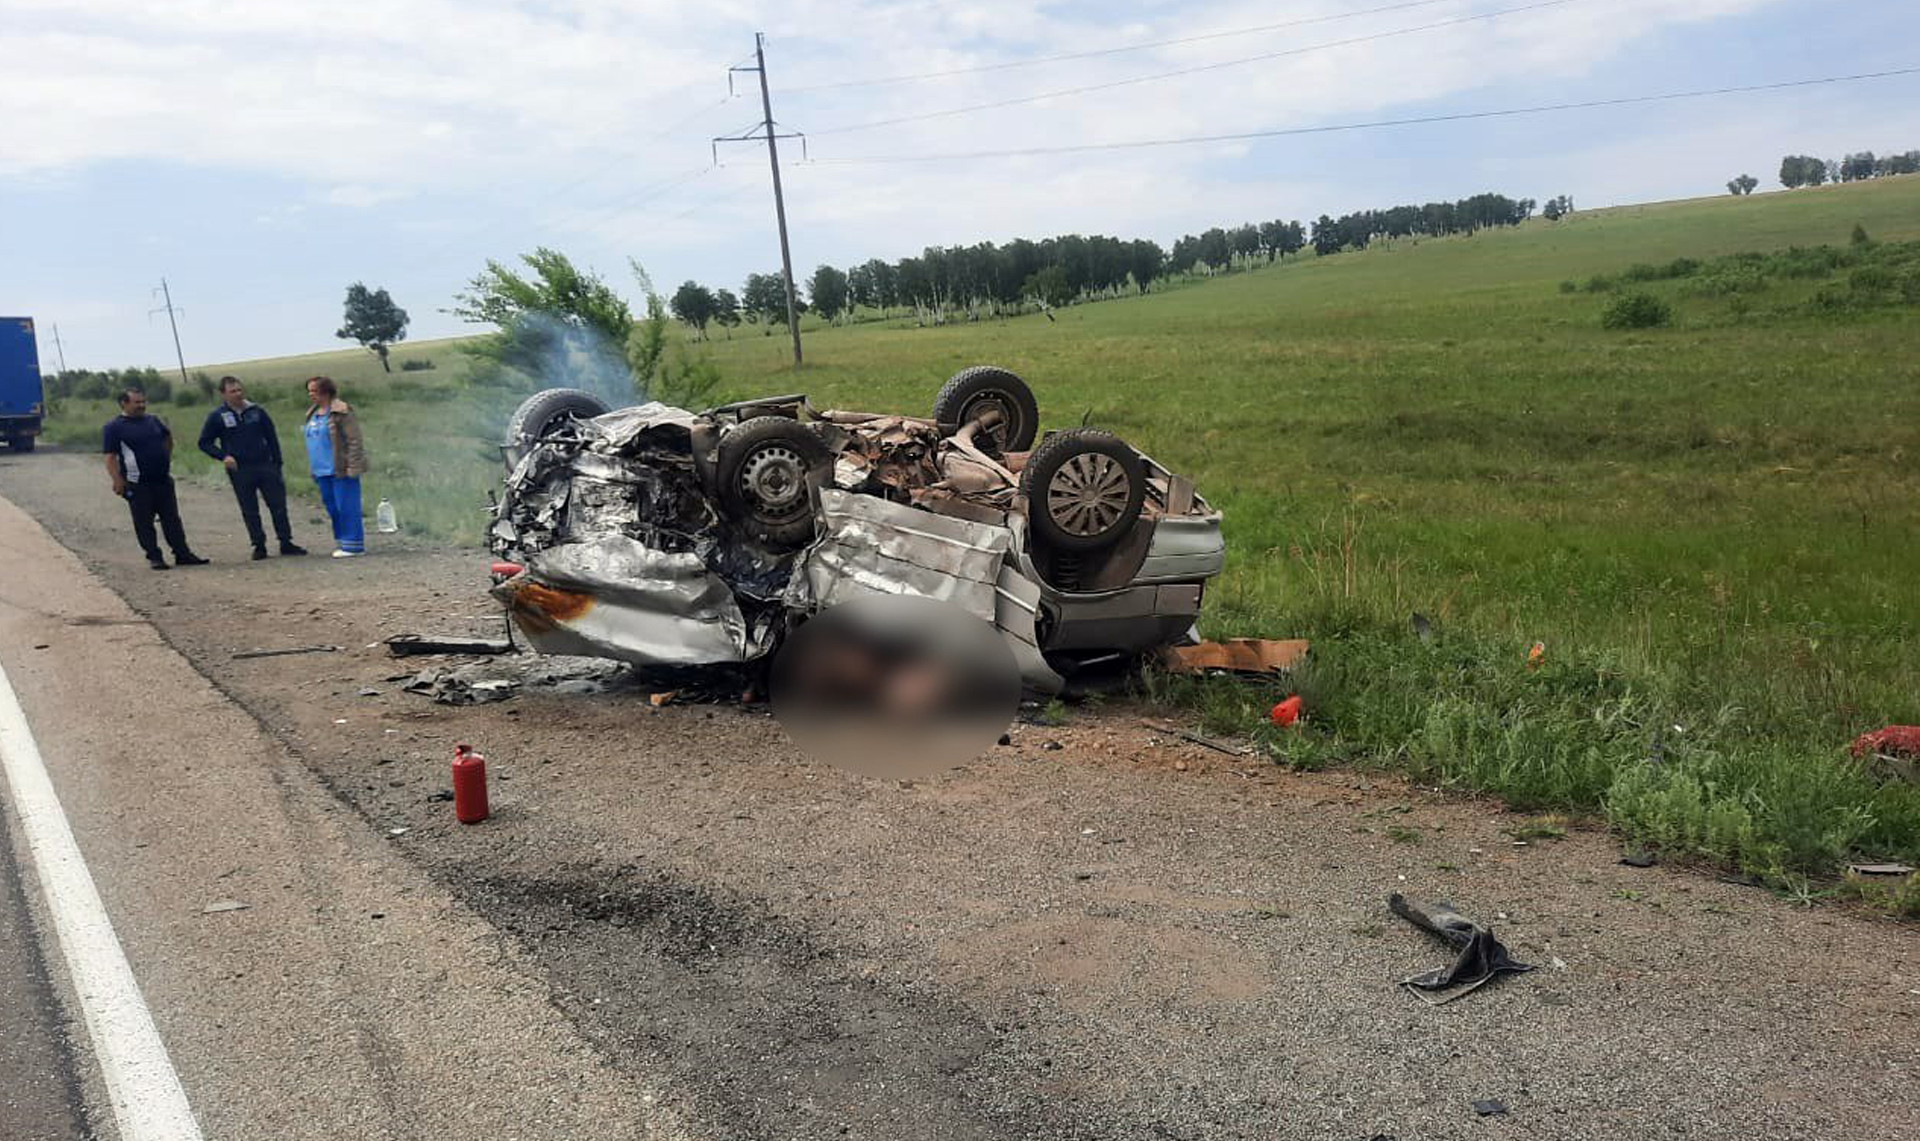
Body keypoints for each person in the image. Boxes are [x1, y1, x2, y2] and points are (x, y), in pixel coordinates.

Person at [197, 376, 307, 560]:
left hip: (265, 465)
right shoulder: (217, 416)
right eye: (233, 391)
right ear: (223, 394)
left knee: (278, 505)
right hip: (240, 469)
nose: (238, 394)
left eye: (240, 390)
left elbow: (271, 437)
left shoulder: (256, 411)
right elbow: (204, 442)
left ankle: (286, 542)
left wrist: (277, 463)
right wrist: (223, 456)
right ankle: (259, 545)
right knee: (249, 509)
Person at [101, 387, 210, 570]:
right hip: (137, 483)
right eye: (137, 402)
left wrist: (164, 459)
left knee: (172, 519)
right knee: (144, 522)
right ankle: (155, 556)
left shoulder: (152, 420)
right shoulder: (114, 427)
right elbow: (110, 457)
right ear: (124, 403)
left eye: (143, 402)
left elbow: (167, 438)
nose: (141, 406)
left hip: (162, 480)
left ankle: (182, 554)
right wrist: (117, 480)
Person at [302, 375, 367, 558]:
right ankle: (342, 541)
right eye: (309, 391)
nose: (311, 395)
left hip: (340, 468)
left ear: (326, 391)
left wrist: (353, 466)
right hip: (321, 469)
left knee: (346, 505)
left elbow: (354, 440)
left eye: (315, 391)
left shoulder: (341, 411)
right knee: (332, 506)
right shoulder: (312, 413)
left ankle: (354, 545)